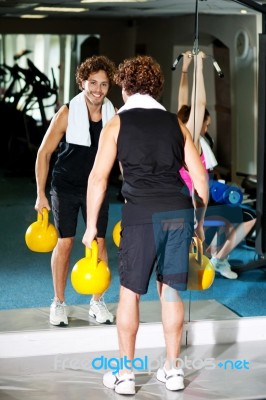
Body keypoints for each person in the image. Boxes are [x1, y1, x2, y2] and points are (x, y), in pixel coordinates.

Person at [82, 55, 209, 394]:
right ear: (155, 88)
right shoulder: (174, 123)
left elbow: (97, 179)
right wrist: (198, 222)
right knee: (171, 293)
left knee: (130, 294)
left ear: (125, 87)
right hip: (178, 213)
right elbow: (200, 180)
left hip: (139, 215)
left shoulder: (117, 124)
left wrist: (91, 227)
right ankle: (173, 370)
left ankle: (125, 375)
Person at [35, 55, 116, 326]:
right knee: (66, 242)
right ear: (82, 82)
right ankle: (58, 302)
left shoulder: (111, 113)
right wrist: (41, 194)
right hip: (66, 185)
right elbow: (44, 153)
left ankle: (97, 302)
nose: (98, 89)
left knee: (99, 243)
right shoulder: (67, 112)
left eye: (104, 84)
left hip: (97, 187)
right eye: (93, 82)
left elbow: (122, 154)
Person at [177, 51, 256, 280]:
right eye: (206, 124)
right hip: (193, 208)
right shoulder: (191, 139)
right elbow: (197, 103)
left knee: (230, 213)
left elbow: (185, 103)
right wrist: (200, 67)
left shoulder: (177, 131)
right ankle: (219, 259)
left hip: (193, 202)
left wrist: (185, 69)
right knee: (249, 216)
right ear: (197, 122)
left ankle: (217, 255)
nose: (206, 128)